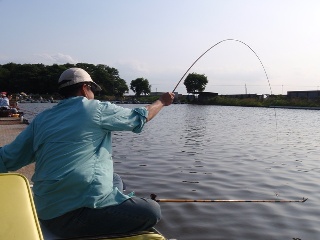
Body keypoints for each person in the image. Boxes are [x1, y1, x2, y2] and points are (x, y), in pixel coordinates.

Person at [0, 67, 175, 238]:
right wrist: (161, 102)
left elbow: (7, 158)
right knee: (152, 210)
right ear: (85, 88)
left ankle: (115, 201)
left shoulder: (41, 119)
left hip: (45, 211)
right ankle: (113, 206)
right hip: (75, 218)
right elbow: (140, 117)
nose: (94, 94)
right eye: (92, 89)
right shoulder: (96, 109)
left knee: (115, 178)